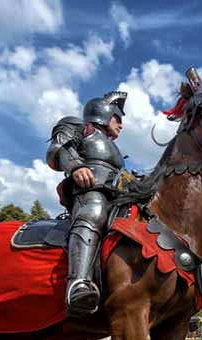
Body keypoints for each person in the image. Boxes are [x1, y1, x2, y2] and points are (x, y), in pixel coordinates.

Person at [46, 91, 128, 316]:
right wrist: (75, 167)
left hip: (117, 197)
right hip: (89, 193)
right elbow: (58, 150)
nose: (121, 125)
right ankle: (78, 285)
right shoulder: (79, 127)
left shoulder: (116, 150)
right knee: (94, 211)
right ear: (104, 113)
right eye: (117, 118)